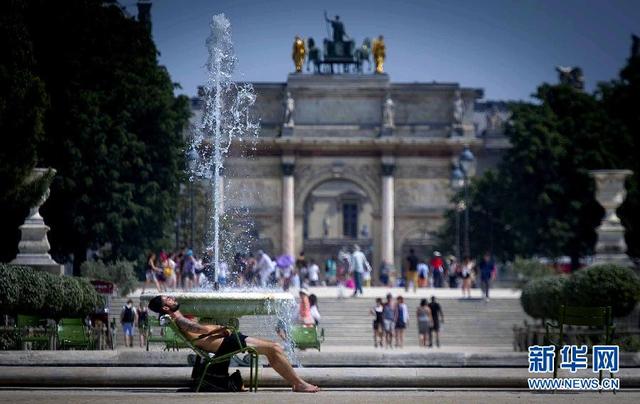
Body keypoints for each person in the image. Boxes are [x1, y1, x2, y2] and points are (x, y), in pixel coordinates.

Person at [147, 295, 319, 393]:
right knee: (274, 348)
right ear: (165, 308)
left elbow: (197, 331)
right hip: (227, 343)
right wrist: (219, 331)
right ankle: (298, 383)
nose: (171, 298)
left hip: (227, 341)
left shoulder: (178, 318)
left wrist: (219, 331)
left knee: (274, 348)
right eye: (167, 299)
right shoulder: (180, 319)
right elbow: (198, 329)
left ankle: (297, 382)